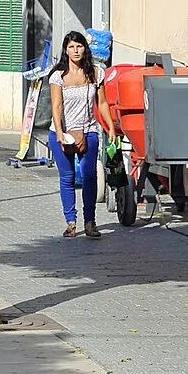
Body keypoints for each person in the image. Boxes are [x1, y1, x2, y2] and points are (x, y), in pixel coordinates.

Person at [47, 32, 117, 239]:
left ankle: (90, 222)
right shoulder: (58, 76)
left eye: (79, 46)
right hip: (62, 134)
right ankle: (70, 223)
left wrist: (110, 126)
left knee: (89, 176)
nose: (75, 51)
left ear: (85, 48)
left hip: (88, 131)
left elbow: (102, 102)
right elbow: (56, 106)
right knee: (67, 177)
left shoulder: (96, 73)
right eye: (71, 47)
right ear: (65, 50)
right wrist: (60, 133)